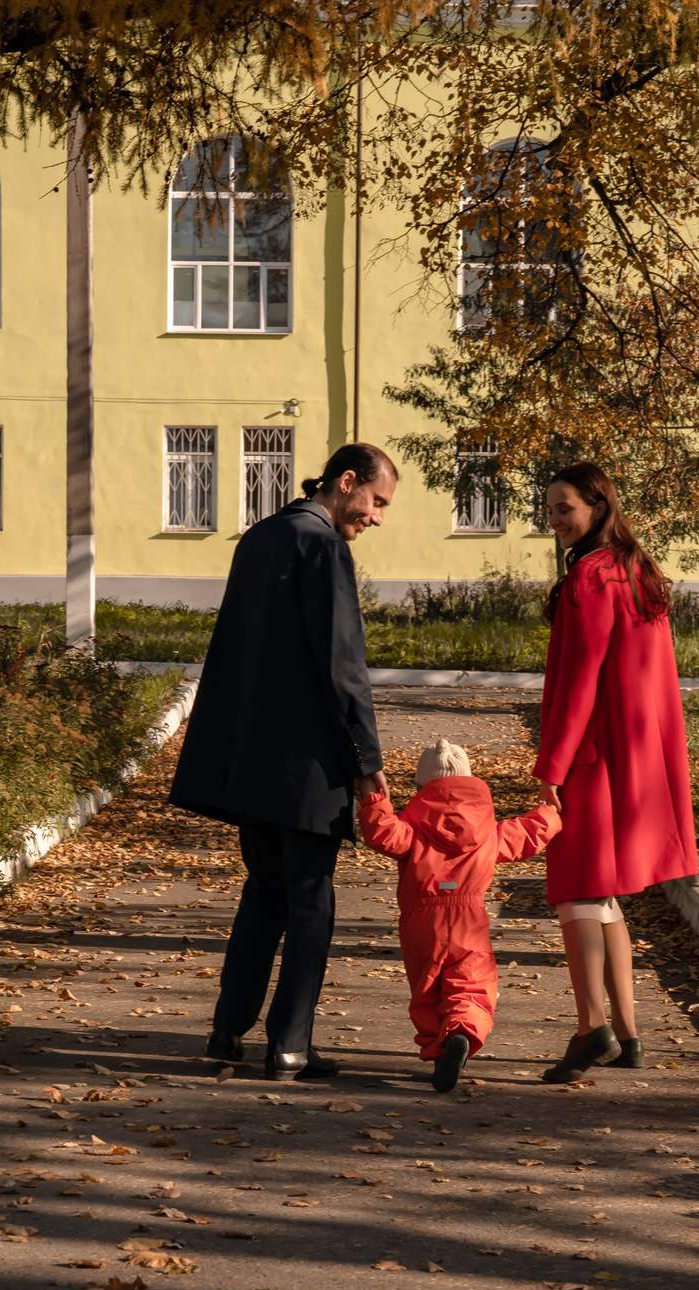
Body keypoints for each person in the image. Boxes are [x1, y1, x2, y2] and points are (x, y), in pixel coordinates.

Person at [171, 442, 398, 1080]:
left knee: (263, 892)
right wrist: (365, 755)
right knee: (310, 899)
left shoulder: (261, 537)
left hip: (253, 756)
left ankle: (226, 1032)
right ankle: (290, 1043)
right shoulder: (323, 545)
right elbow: (341, 662)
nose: (377, 517)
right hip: (307, 763)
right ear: (345, 481)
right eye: (376, 501)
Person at [532, 461, 698, 1084]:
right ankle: (628, 1033)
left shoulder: (592, 579)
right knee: (603, 896)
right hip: (634, 753)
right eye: (548, 510)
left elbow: (578, 683)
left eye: (563, 508)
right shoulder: (637, 570)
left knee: (575, 888)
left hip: (593, 756)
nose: (554, 521)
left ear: (598, 507)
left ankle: (590, 1027)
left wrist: (551, 766)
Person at [357, 738, 562, 1092]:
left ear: (423, 788)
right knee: (472, 983)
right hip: (469, 917)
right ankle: (462, 1032)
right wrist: (549, 810)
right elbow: (526, 835)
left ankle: (438, 1049)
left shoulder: (415, 824)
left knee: (427, 988)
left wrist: (373, 798)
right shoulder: (487, 829)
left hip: (422, 919)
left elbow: (383, 833)